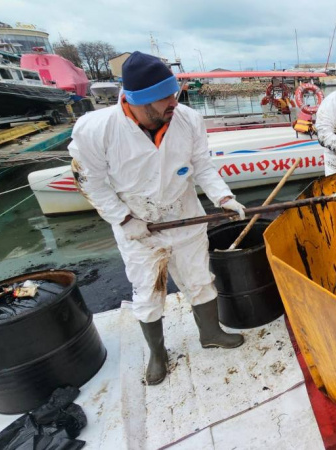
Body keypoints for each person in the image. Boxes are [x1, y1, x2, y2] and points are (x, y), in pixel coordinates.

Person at [68, 52, 247, 386]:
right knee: (148, 293)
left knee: (199, 279)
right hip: (139, 225)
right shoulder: (95, 129)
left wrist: (223, 196)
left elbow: (202, 166)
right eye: (165, 96)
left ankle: (210, 333)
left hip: (185, 214)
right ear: (139, 100)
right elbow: (89, 181)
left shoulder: (188, 119)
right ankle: (158, 353)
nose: (173, 102)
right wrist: (123, 219)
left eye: (173, 93)